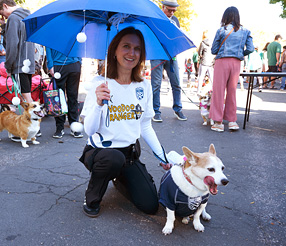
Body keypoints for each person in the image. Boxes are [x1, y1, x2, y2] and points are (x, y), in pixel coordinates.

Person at [79, 27, 171, 217]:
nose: (132, 53)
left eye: (137, 49)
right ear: (114, 50)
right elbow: (90, 130)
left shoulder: (144, 86)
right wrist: (98, 104)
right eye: (126, 46)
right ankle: (93, 196)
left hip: (128, 154)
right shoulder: (100, 84)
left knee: (150, 205)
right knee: (113, 159)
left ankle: (119, 177)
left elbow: (145, 125)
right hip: (101, 153)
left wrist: (162, 156)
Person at [210, 6, 254, 132]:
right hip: (236, 62)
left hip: (222, 61)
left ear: (225, 16)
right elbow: (250, 49)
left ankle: (218, 122)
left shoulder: (221, 30)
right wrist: (240, 53)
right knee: (232, 91)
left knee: (218, 91)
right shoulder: (246, 31)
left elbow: (214, 50)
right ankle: (232, 121)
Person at [150, 0, 187, 122]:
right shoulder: (155, 17)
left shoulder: (175, 20)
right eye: (169, 10)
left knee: (176, 83)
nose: (171, 13)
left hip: (172, 56)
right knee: (156, 85)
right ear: (162, 7)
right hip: (157, 55)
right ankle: (156, 111)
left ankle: (178, 109)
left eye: (173, 11)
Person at [0, 0, 35, 103]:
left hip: (19, 64)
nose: (4, 17)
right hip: (28, 63)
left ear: (5, 6)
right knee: (27, 96)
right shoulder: (28, 16)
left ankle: (34, 118)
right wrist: (4, 27)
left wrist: (8, 66)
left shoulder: (13, 18)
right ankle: (34, 117)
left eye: (2, 13)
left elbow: (12, 45)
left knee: (26, 99)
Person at [46, 48, 82, 138]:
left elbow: (79, 44)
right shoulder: (51, 33)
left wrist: (79, 61)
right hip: (58, 65)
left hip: (74, 65)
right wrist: (50, 65)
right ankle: (59, 127)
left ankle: (74, 126)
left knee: (73, 97)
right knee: (57, 99)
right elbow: (48, 46)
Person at [197, 30, 215, 95]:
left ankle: (198, 91)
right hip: (211, 63)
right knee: (212, 78)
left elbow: (199, 52)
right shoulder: (213, 43)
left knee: (201, 77)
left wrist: (201, 56)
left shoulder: (203, 43)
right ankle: (214, 91)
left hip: (204, 62)